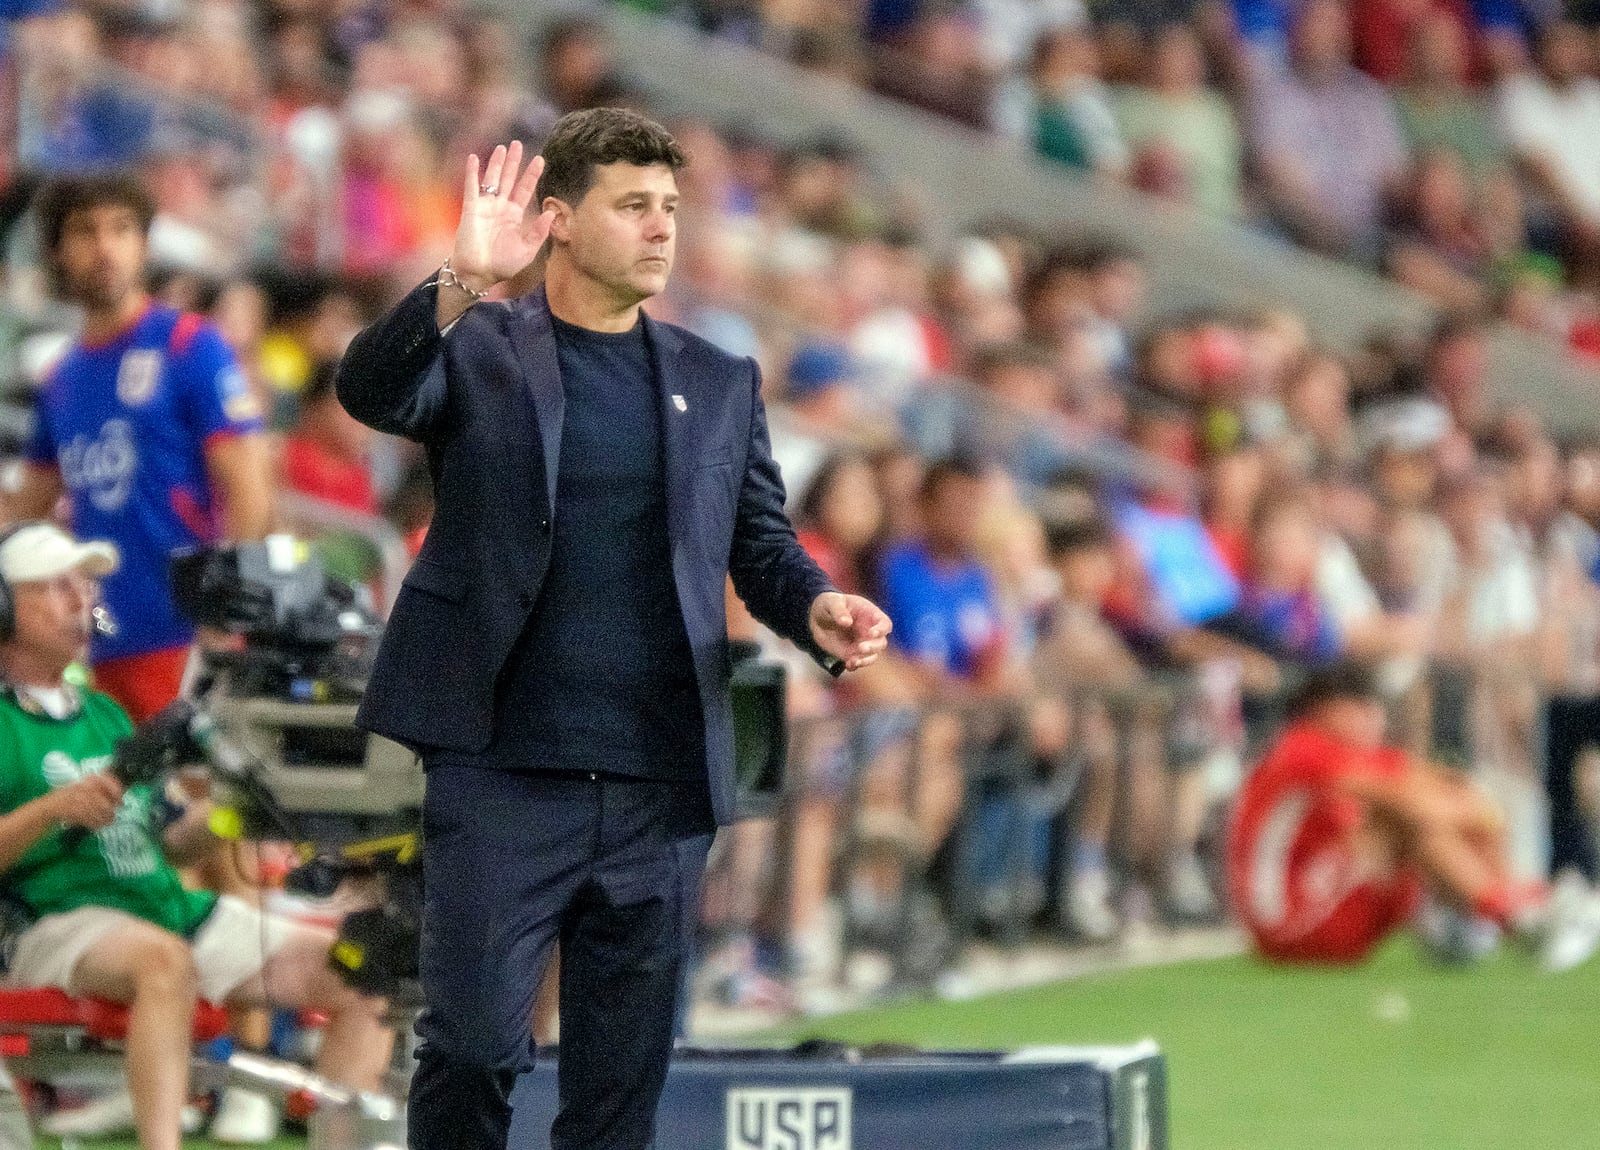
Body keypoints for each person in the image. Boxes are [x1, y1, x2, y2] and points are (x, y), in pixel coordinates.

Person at [334, 108, 892, 1150]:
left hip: (657, 779)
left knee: (619, 1089)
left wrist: (814, 603)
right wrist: (459, 281)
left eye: (670, 207)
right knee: (471, 1049)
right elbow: (369, 390)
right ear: (559, 220)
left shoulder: (717, 380)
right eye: (633, 205)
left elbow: (758, 541)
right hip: (501, 769)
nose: (660, 228)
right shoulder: (485, 344)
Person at [0, 521, 392, 1150]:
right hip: (51, 923)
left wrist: (238, 811)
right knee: (165, 962)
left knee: (364, 967)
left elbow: (170, 845)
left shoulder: (103, 712)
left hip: (165, 916)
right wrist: (53, 810)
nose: (83, 599)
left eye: (84, 584)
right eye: (56, 586)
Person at [7, 173, 274, 723]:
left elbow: (249, 485)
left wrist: (226, 611)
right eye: (84, 232)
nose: (104, 247)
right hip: (96, 643)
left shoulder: (189, 345)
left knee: (189, 800)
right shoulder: (62, 378)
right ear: (58, 252)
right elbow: (26, 504)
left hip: (187, 638)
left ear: (143, 244)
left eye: (121, 229)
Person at [1226, 661, 1600, 970]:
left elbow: (1460, 794)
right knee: (1408, 824)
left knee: (1429, 812)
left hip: (1326, 904)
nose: (1375, 718)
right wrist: (1472, 813)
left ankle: (1483, 919)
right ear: (1325, 708)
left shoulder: (1355, 755)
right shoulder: (1302, 746)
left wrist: (1473, 811)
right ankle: (1513, 914)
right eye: (1363, 705)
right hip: (1289, 921)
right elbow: (1424, 807)